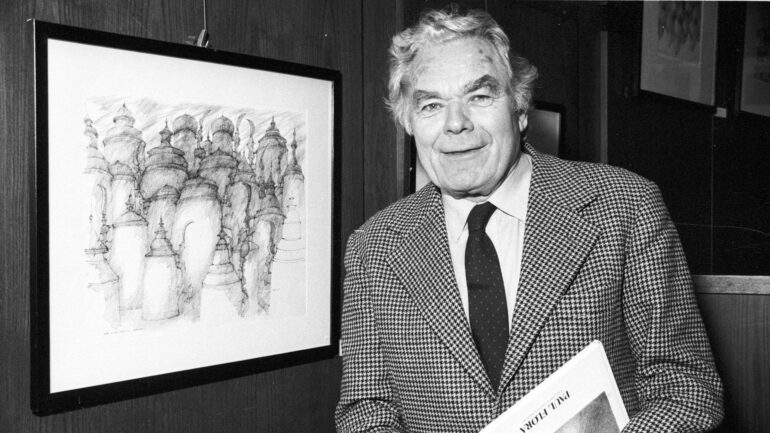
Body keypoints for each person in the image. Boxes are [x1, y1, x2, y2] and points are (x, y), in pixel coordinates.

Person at [335, 6, 723, 433]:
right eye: (431, 105)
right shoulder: (374, 247)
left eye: (479, 97)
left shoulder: (625, 207)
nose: (456, 123)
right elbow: (366, 411)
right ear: (408, 122)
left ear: (520, 109)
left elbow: (687, 388)